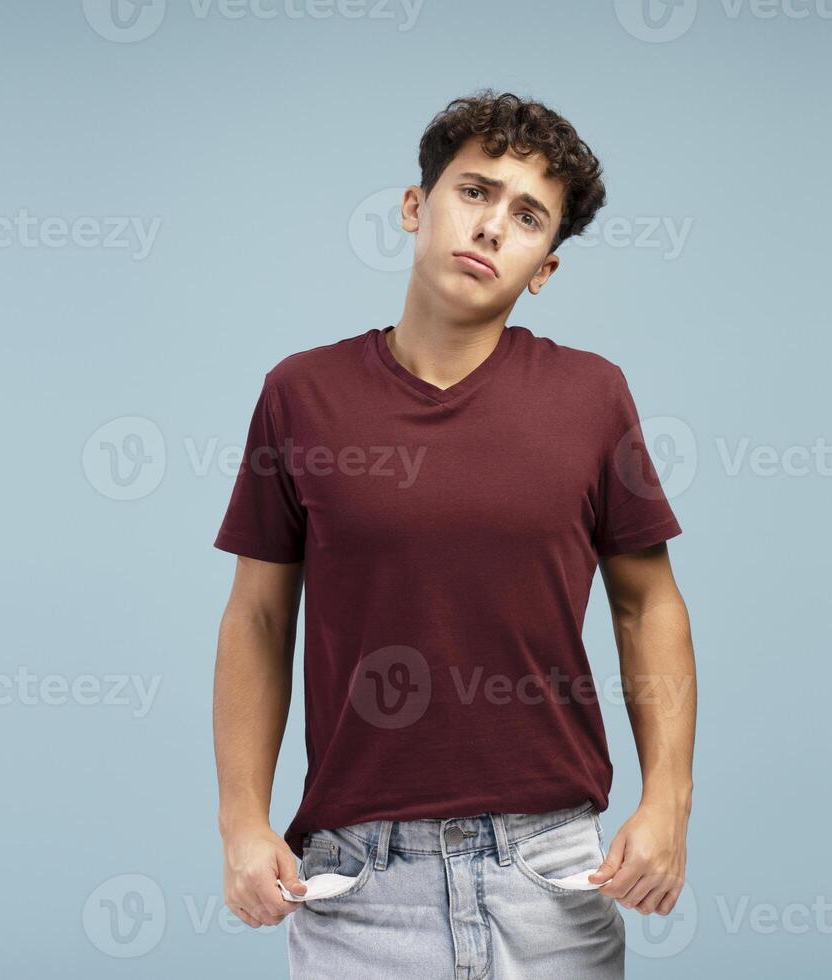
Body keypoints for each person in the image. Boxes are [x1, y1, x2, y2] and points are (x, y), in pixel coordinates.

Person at [212, 89, 696, 979]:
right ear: (414, 205)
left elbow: (647, 603)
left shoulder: (592, 398)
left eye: (526, 216)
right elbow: (259, 621)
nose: (490, 228)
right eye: (473, 192)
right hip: (358, 888)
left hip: (549, 876)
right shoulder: (301, 394)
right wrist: (242, 822)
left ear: (543, 267)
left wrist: (668, 800)